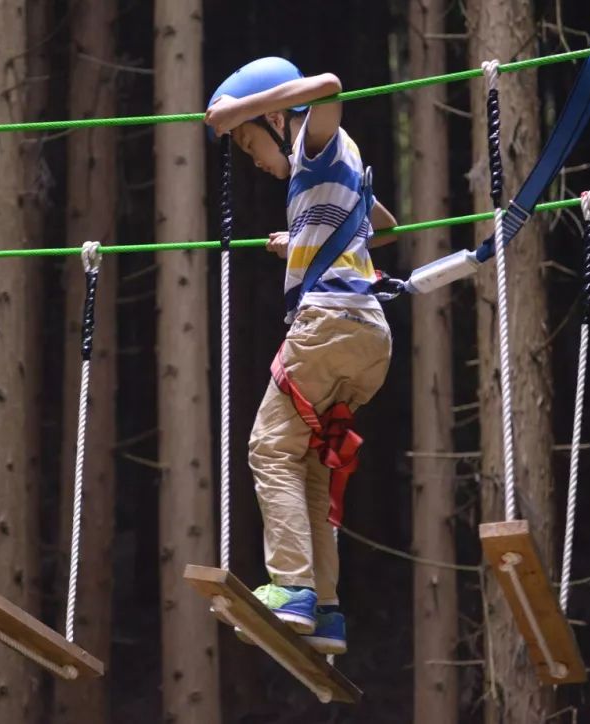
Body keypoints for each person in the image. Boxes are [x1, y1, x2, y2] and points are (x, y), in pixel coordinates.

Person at [205, 57, 400, 655]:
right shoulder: (328, 170)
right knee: (309, 466)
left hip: (328, 327)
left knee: (268, 447)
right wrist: (306, 238)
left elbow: (332, 86)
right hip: (368, 340)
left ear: (274, 118)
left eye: (247, 142)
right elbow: (384, 227)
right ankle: (326, 611)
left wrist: (229, 114)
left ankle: (292, 590)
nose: (251, 158)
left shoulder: (316, 140)